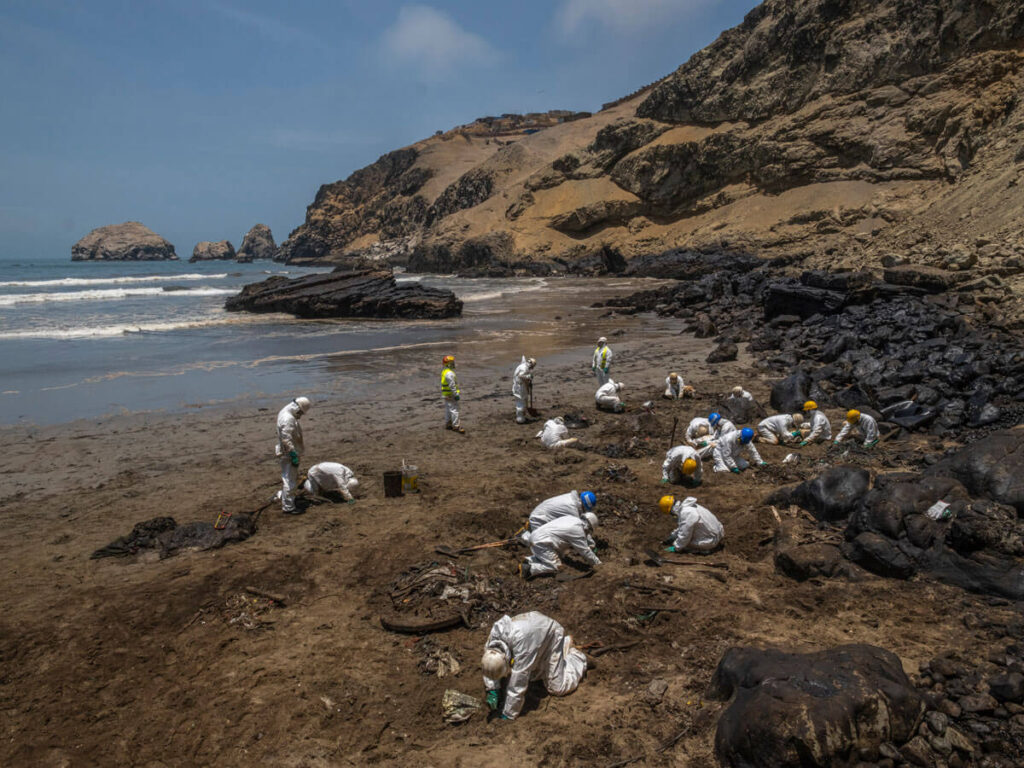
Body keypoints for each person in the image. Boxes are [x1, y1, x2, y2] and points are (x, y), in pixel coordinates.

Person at [481, 612, 587, 721]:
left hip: (551, 635)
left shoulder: (522, 648)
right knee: (532, 676)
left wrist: (508, 714)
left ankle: (577, 656)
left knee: (557, 687)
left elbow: (518, 685)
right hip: (534, 635)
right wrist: (492, 689)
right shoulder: (493, 640)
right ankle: (563, 647)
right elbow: (489, 665)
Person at [520, 513, 600, 578]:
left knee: (557, 556)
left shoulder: (572, 519)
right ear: (588, 527)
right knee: (556, 567)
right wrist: (599, 565)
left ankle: (530, 560)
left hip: (536, 536)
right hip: (542, 542)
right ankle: (528, 569)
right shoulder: (578, 531)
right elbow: (585, 551)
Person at [275, 396, 310, 514]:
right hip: (289, 453)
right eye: (300, 412)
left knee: (289, 478)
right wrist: (293, 455)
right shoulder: (287, 418)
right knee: (289, 480)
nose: (300, 415)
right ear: (296, 408)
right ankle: (289, 507)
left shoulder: (286, 412)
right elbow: (286, 439)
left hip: (289, 452)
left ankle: (286, 499)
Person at [660, 495, 724, 553]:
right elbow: (683, 527)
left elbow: (685, 535)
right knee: (684, 538)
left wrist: (676, 547)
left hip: (710, 541)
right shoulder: (689, 506)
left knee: (685, 544)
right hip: (718, 533)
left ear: (672, 510)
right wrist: (674, 535)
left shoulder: (686, 513)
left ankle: (704, 551)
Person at [528, 490, 597, 531]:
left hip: (538, 513)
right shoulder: (572, 510)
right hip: (539, 520)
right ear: (584, 505)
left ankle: (528, 529)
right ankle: (525, 537)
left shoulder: (570, 497)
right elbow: (578, 531)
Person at [441, 355, 464, 434]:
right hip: (451, 394)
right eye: (452, 362)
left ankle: (448, 423)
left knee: (448, 409)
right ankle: (456, 426)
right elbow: (452, 386)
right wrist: (456, 395)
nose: (453, 364)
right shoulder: (450, 373)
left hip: (446, 394)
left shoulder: (445, 371)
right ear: (448, 364)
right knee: (454, 410)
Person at [512, 356, 537, 424]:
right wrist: (528, 377)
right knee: (521, 403)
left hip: (520, 386)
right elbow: (521, 375)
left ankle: (522, 416)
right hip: (519, 388)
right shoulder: (524, 368)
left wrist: (528, 382)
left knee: (524, 402)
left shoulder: (522, 365)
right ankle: (520, 419)